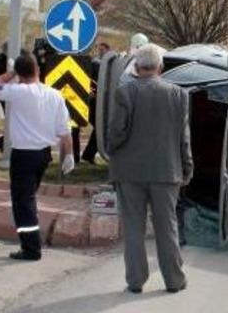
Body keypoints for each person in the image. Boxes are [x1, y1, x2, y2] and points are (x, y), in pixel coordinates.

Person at [109, 44, 192, 294]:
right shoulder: (178, 95)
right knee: (167, 226)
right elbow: (184, 137)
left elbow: (116, 131)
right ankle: (174, 280)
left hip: (129, 172)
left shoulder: (124, 91)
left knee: (133, 226)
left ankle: (136, 281)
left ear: (136, 66)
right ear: (161, 67)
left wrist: (112, 153)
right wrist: (187, 167)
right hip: (166, 171)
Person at [0, 54, 75, 261]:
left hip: (23, 155)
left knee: (22, 202)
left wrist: (11, 73)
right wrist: (69, 154)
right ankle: (30, 243)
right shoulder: (54, 94)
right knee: (29, 199)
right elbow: (65, 130)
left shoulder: (18, 92)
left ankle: (31, 248)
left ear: (19, 73)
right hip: (43, 155)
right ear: (38, 70)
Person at [81, 42, 111, 164]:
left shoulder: (106, 64)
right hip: (93, 101)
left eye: (103, 49)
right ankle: (88, 155)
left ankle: (88, 155)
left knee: (100, 128)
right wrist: (90, 92)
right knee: (101, 128)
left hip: (99, 101)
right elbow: (88, 80)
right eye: (99, 49)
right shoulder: (95, 64)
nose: (100, 51)